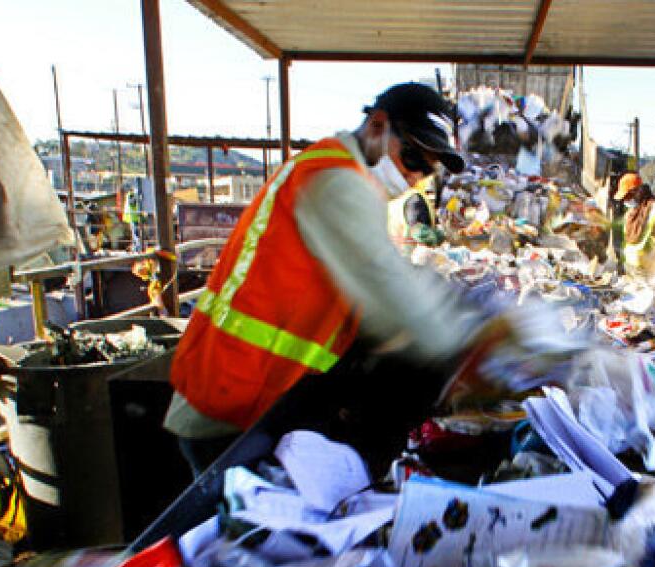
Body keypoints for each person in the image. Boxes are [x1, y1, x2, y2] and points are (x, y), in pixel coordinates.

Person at [164, 82, 483, 475]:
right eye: (414, 157)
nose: (416, 177)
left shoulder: (339, 173)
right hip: (230, 398)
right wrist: (479, 346)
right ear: (378, 125)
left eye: (427, 171)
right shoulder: (336, 180)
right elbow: (387, 288)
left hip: (248, 390)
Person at [615, 173, 655, 275]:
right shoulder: (630, 214)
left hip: (649, 272)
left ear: (636, 192)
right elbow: (627, 243)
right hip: (632, 271)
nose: (625, 201)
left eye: (627, 196)